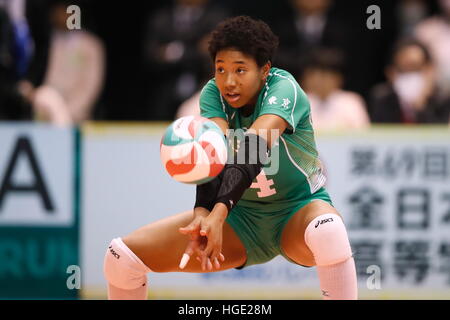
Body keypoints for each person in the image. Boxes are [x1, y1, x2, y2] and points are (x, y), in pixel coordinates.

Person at [104, 16, 357, 300]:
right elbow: (213, 154)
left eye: (240, 70)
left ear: (264, 71)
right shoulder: (213, 94)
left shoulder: (284, 88)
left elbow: (254, 147)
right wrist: (202, 213)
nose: (229, 81)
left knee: (328, 231)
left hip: (296, 209)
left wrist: (218, 213)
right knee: (120, 257)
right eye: (221, 69)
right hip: (242, 220)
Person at [369, 38, 450, 124]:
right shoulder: (382, 98)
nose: (410, 74)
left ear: (430, 70)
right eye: (403, 69)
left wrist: (420, 106)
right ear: (391, 73)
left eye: (415, 68)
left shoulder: (442, 99)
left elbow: (440, 134)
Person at [300, 48, 370, 131]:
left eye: (323, 76)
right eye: (312, 75)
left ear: (338, 78)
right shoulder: (298, 103)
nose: (317, 81)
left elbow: (364, 134)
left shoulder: (351, 102)